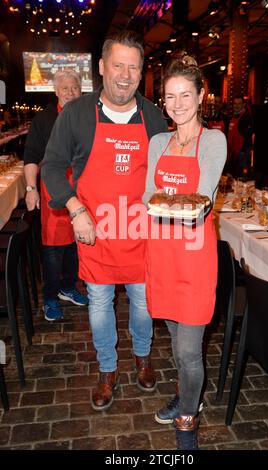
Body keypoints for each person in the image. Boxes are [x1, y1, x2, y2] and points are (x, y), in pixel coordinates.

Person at [41, 31, 168, 411]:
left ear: (142, 72)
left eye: (134, 67)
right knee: (99, 303)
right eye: (118, 65)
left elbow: (165, 172)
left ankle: (142, 357)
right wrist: (75, 209)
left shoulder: (153, 116)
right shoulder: (77, 113)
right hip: (94, 230)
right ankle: (108, 368)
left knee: (142, 302)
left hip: (139, 232)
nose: (125, 75)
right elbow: (51, 167)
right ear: (101, 67)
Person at [143, 56, 226, 450]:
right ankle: (185, 391)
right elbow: (147, 194)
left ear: (200, 95)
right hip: (161, 255)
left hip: (194, 257)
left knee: (190, 350)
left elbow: (203, 198)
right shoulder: (158, 142)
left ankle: (188, 418)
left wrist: (166, 202)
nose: (177, 104)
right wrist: (164, 202)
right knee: (176, 343)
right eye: (170, 96)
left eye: (185, 95)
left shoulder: (214, 140)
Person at [24, 69, 88, 321]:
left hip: (82, 191)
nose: (71, 93)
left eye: (75, 87)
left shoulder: (87, 116)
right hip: (54, 191)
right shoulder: (45, 119)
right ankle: (50, 296)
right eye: (65, 88)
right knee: (53, 249)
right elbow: (31, 156)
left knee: (76, 243)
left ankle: (68, 286)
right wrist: (30, 189)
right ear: (56, 91)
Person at [226, 96, 253, 177]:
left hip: (241, 156)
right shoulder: (232, 117)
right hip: (231, 155)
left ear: (243, 105)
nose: (236, 106)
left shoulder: (246, 117)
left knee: (240, 180)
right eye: (235, 104)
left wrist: (243, 152)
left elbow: (248, 139)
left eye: (239, 104)